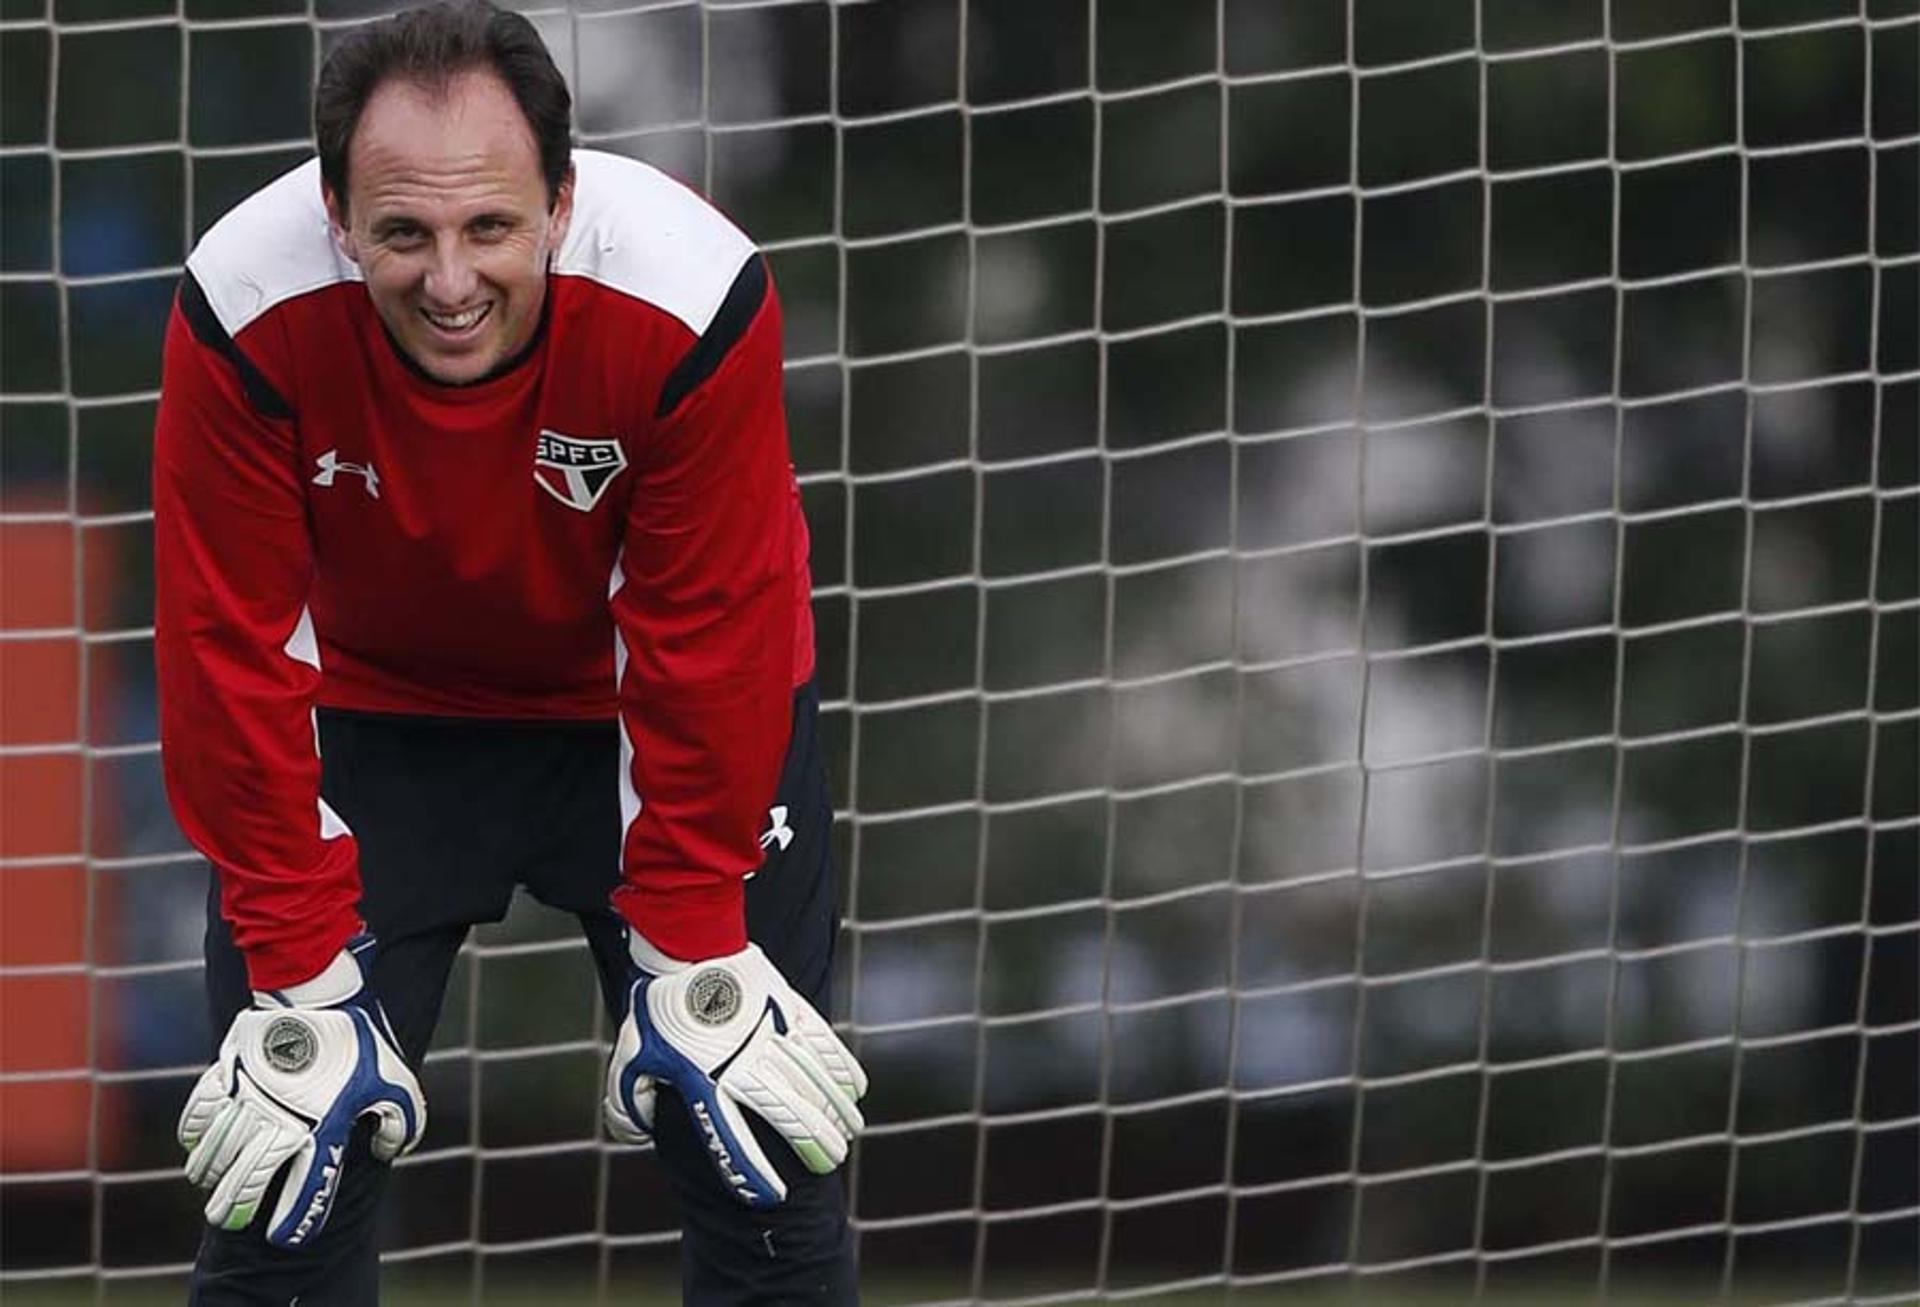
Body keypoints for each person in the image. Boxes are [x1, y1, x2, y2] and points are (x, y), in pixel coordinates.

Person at [151, 1, 867, 1301]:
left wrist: (696, 928)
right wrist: (298, 961)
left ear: (560, 199)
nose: (451, 279)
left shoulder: (689, 291)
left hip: (653, 713)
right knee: (282, 1199)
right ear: (335, 213)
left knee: (762, 1173)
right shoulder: (242, 304)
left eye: (491, 227)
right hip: (373, 723)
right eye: (403, 233)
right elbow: (225, 648)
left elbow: (716, 625)